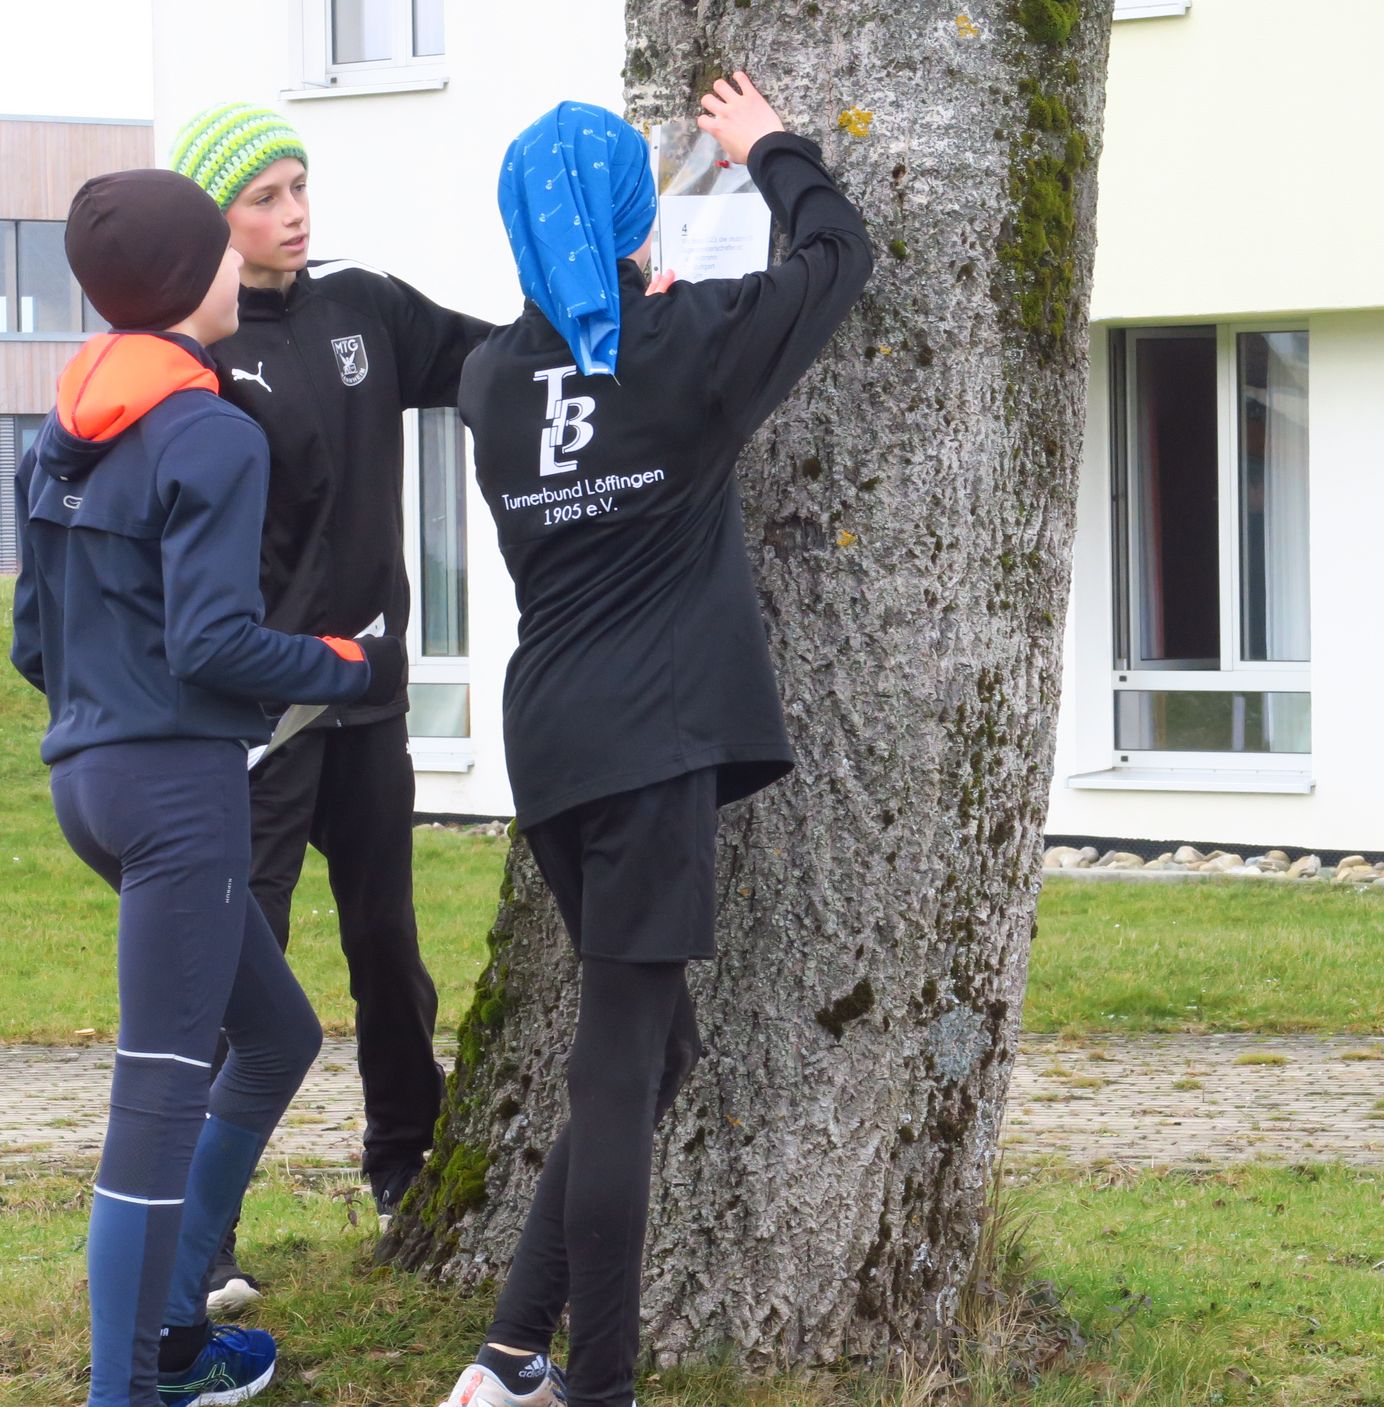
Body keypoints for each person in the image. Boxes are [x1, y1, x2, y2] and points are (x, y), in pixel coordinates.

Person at [432, 75, 871, 1407]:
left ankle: (511, 1354)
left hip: (553, 746)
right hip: (651, 744)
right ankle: (601, 1387)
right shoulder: (684, 345)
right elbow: (838, 256)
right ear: (636, 217)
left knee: (653, 1048)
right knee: (620, 1069)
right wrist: (767, 148)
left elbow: (574, 353)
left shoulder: (488, 383)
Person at [10, 167, 408, 1407]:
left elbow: (33, 640)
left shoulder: (61, 430)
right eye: (226, 251)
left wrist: (115, 712)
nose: (250, 261)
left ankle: (175, 1336)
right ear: (193, 279)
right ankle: (128, 1389)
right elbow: (216, 642)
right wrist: (351, 665)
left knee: (278, 1036)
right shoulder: (211, 432)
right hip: (178, 797)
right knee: (154, 1106)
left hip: (88, 779)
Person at [165, 102, 492, 1287]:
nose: (294, 213)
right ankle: (200, 1239)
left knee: (386, 943)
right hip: (256, 722)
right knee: (239, 969)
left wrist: (621, 315)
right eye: (264, 198)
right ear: (215, 223)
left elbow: (499, 360)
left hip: (367, 701)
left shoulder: (365, 308)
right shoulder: (196, 356)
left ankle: (405, 1162)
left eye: (299, 186)